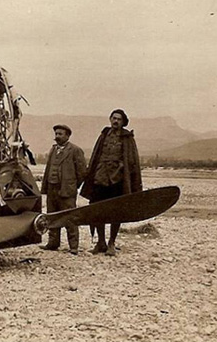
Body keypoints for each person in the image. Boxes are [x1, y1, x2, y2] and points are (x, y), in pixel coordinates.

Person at [80, 109, 142, 256]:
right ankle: (100, 242)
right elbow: (96, 155)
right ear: (110, 119)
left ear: (123, 122)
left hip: (117, 180)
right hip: (100, 177)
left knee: (116, 211)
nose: (115, 121)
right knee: (97, 209)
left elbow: (131, 160)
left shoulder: (127, 138)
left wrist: (125, 173)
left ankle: (111, 243)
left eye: (119, 119)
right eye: (113, 118)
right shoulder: (103, 135)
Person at [40, 124, 87, 255]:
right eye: (56, 134)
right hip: (52, 189)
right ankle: (53, 243)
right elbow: (49, 169)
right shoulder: (53, 150)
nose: (57, 137)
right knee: (52, 216)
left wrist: (72, 185)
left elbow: (82, 172)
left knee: (70, 218)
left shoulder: (75, 150)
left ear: (67, 136)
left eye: (60, 134)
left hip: (67, 191)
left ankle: (73, 246)